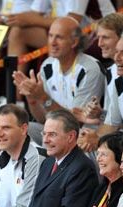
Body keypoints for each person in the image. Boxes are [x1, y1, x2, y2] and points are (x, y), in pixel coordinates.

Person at [13, 16, 106, 145]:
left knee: (57, 138)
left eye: (59, 37)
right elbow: (42, 120)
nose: (52, 42)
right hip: (56, 131)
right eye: (50, 36)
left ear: (74, 42)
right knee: (19, 131)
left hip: (83, 135)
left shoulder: (89, 69)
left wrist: (44, 98)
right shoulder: (48, 65)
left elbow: (75, 123)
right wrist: (32, 97)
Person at [77, 12, 123, 152]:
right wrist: (99, 114)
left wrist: (97, 138)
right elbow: (115, 119)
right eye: (98, 37)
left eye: (105, 38)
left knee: (84, 144)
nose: (99, 43)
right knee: (83, 134)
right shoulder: (111, 71)